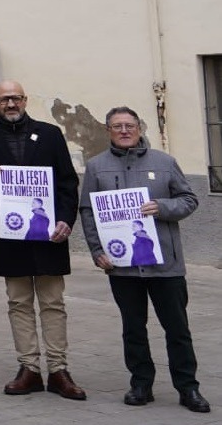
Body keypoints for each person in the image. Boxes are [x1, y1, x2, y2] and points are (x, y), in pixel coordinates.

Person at [0, 79, 86, 400]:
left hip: (48, 233)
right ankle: (29, 368)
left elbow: (67, 182)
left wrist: (66, 220)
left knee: (53, 302)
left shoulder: (50, 134)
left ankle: (58, 370)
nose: (10, 104)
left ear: (25, 100)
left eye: (15, 98)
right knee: (18, 303)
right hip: (10, 236)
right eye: (4, 99)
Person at [80, 106, 208, 412]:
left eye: (129, 125)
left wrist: (162, 207)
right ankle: (141, 384)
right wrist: (97, 251)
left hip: (166, 264)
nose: (124, 131)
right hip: (122, 266)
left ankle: (188, 388)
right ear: (108, 131)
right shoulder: (96, 167)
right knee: (133, 329)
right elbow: (88, 212)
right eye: (117, 126)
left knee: (177, 329)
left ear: (139, 128)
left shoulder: (164, 162)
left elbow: (189, 199)